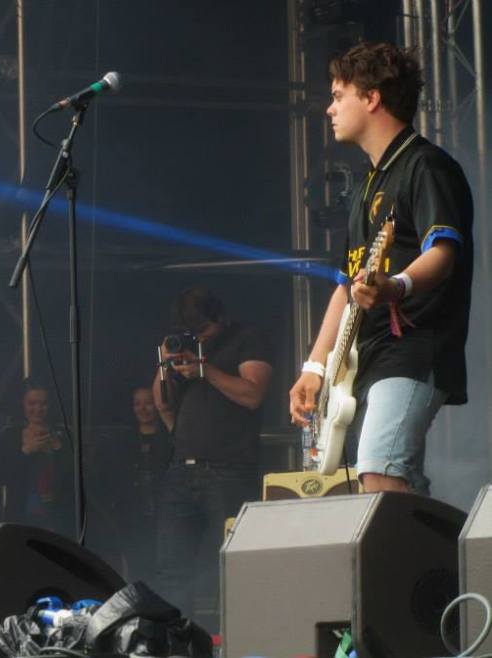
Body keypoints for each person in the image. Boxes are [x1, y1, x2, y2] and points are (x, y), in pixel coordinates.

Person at [289, 42, 473, 496]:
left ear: (372, 98)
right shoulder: (367, 184)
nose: (329, 108)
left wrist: (396, 286)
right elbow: (345, 286)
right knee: (383, 482)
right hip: (367, 356)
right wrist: (314, 366)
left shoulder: (426, 166)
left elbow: (443, 251)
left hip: (414, 345)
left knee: (380, 471)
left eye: (338, 95)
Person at [152, 286, 272, 625]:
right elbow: (162, 404)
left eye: (203, 328)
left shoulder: (247, 339)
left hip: (229, 469)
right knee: (172, 566)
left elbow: (253, 393)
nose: (199, 336)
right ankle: (177, 640)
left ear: (221, 318)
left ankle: (241, 635)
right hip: (181, 469)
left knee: (234, 562)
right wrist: (165, 364)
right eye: (192, 331)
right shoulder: (187, 348)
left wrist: (204, 370)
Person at [92, 386, 173, 583]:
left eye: (148, 403)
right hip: (132, 517)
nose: (143, 409)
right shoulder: (123, 441)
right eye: (138, 404)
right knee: (135, 567)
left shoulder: (169, 438)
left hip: (164, 514)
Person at [0, 380, 73, 534]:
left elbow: (75, 477)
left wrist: (58, 448)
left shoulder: (64, 435)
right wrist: (26, 451)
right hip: (21, 517)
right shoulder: (10, 436)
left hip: (57, 518)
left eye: (43, 404)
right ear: (23, 404)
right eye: (32, 403)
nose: (38, 409)